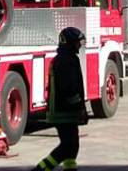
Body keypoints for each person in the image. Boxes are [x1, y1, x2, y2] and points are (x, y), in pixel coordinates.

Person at [35, 26, 88, 170]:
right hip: (63, 112)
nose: (79, 45)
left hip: (66, 112)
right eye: (77, 42)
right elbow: (68, 88)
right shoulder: (65, 61)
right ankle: (41, 169)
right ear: (70, 43)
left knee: (72, 146)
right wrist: (79, 107)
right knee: (66, 147)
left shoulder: (67, 58)